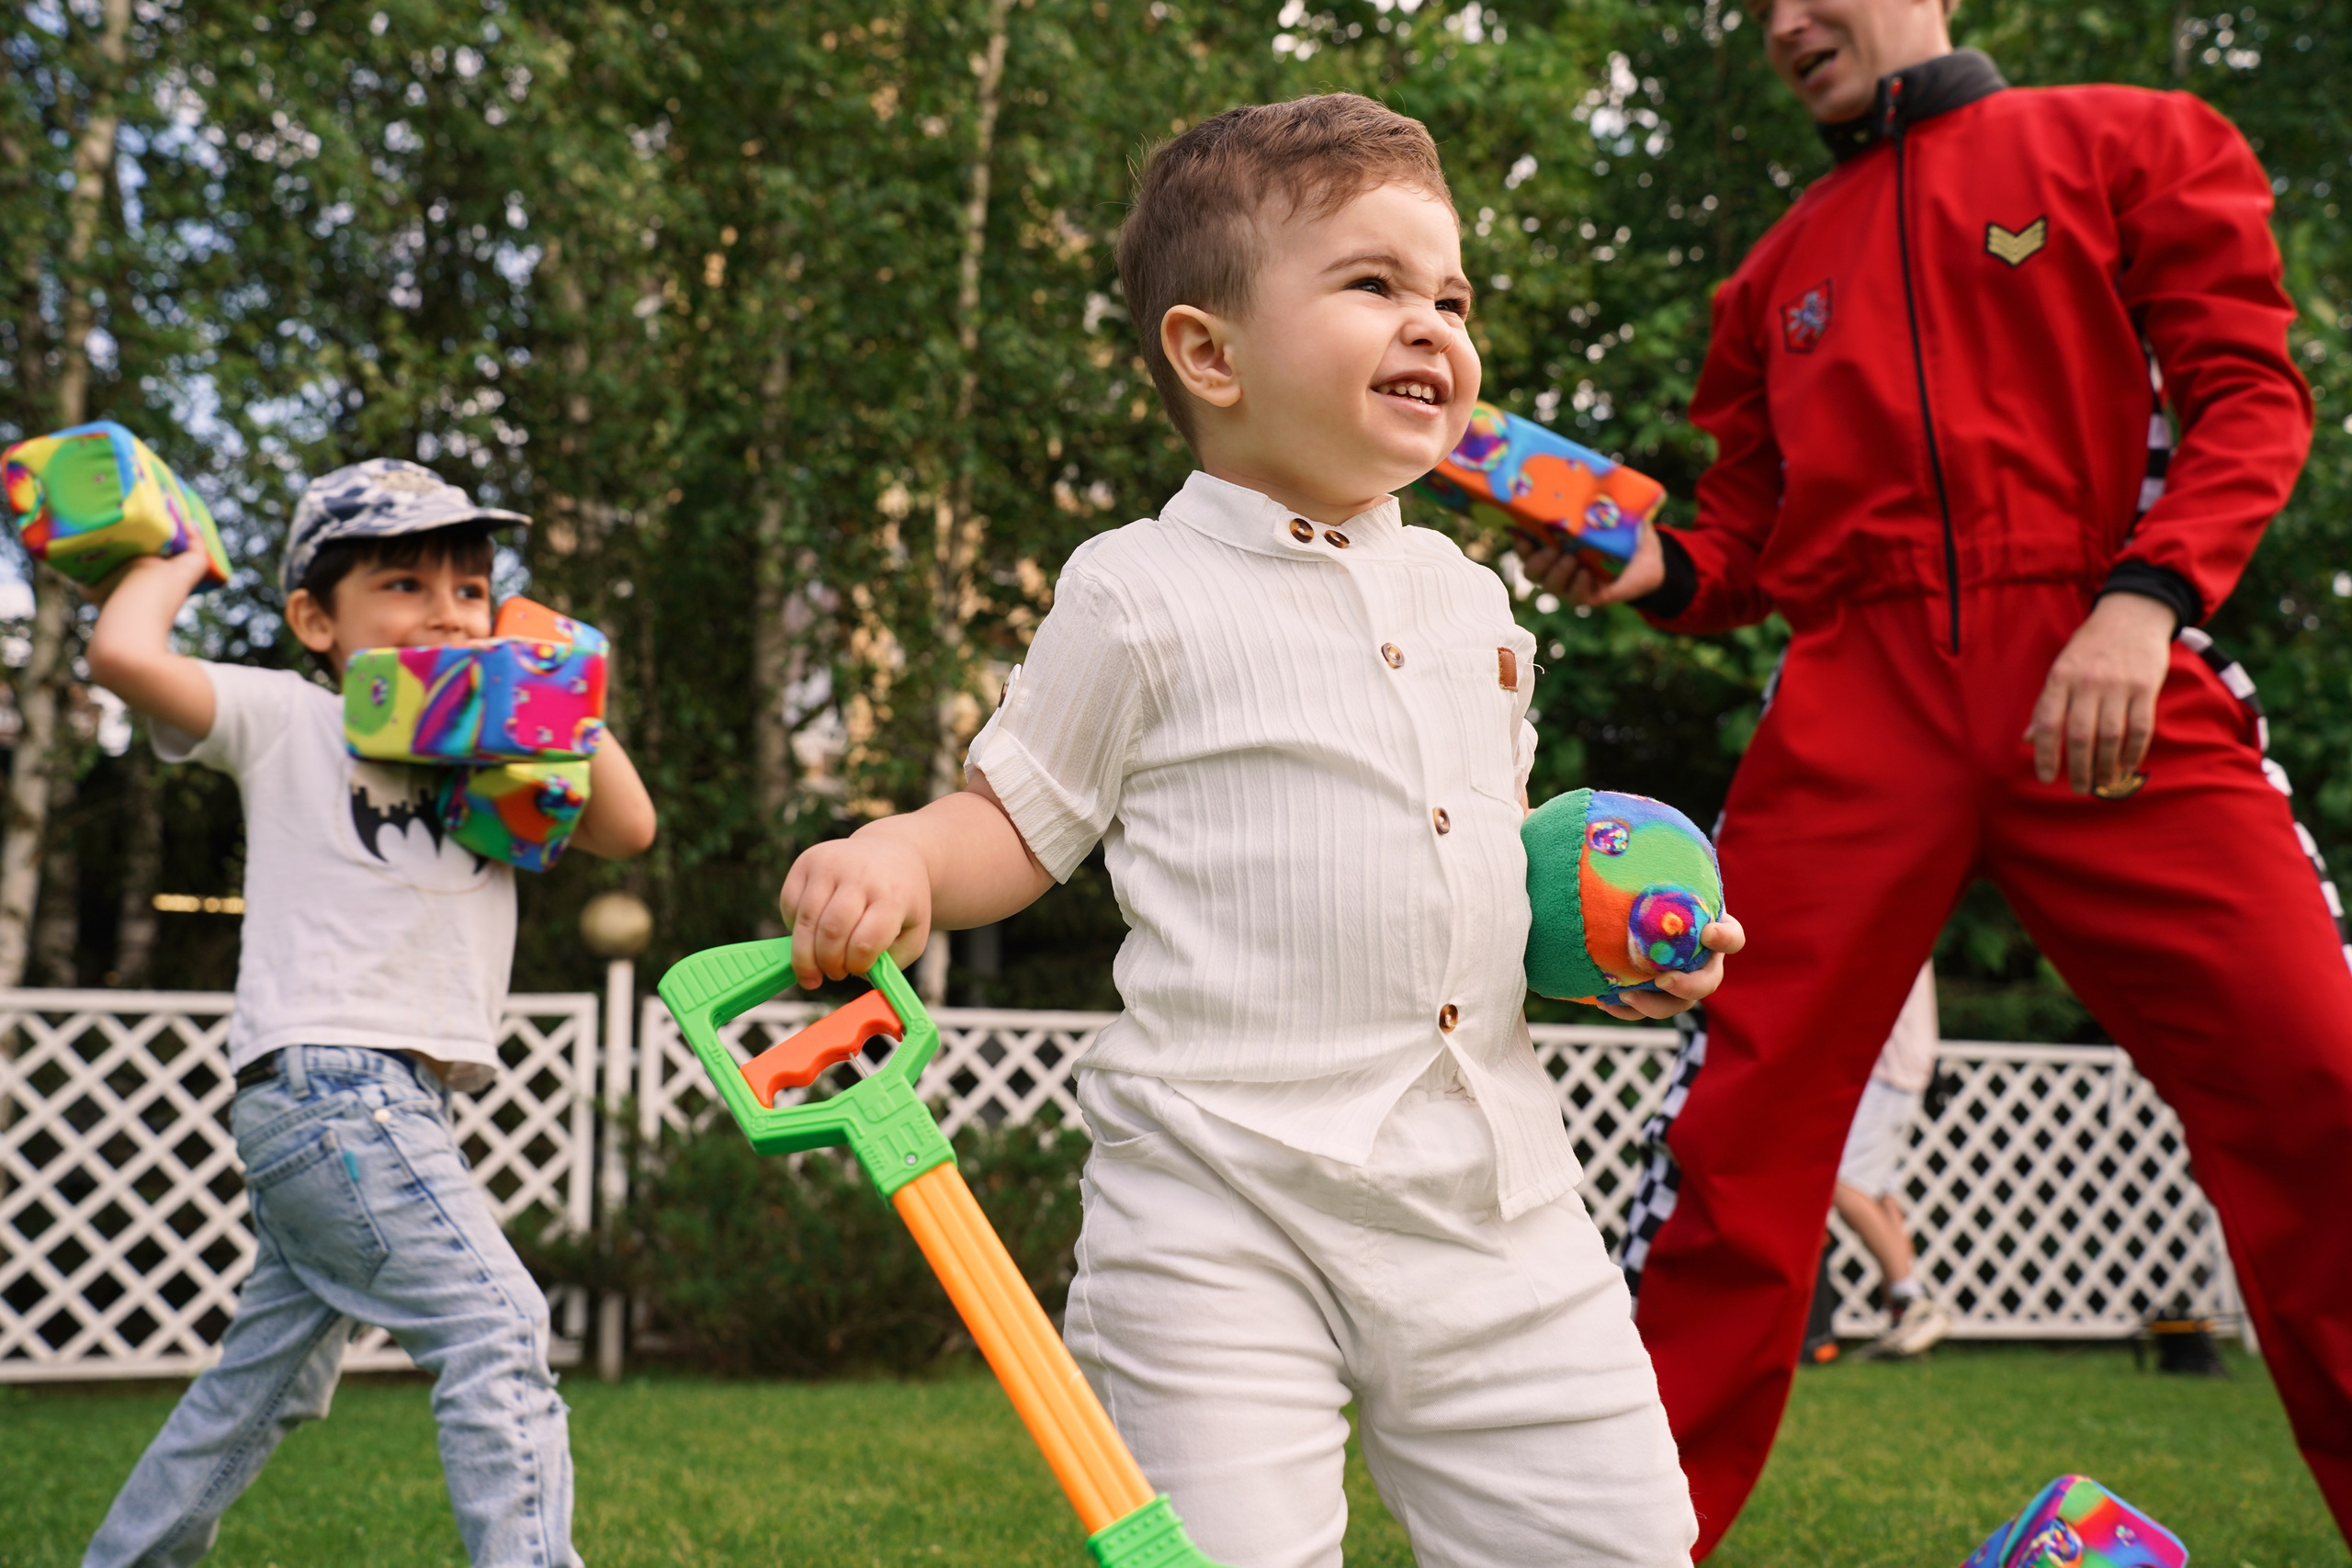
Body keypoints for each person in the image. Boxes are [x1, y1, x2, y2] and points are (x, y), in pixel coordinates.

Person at [776, 95, 1743, 1568]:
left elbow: (1469, 867)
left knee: (1613, 1540)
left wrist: (1596, 947)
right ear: (1209, 353)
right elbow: (1018, 820)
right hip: (1220, 1201)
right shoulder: (1137, 588)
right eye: (1373, 284)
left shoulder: (1474, 602)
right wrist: (904, 856)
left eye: (1451, 296)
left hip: (1494, 1193)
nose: (1432, 325)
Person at [1519, 0, 2352, 1551]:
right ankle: (1621, 1542)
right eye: (1757, 7)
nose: (1783, 23)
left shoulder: (2135, 143)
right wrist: (1638, 564)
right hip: (1857, 695)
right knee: (1733, 1140)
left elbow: (2249, 396)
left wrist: (2147, 597)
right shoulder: (1770, 274)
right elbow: (1739, 547)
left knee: (2325, 1083)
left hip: (2108, 664)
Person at [77, 460, 658, 1568]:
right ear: (315, 620)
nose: (447, 610)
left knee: (259, 1390)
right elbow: (124, 657)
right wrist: (179, 558)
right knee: (497, 1325)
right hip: (337, 1088)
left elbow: (626, 828)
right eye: (402, 584)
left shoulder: (496, 757)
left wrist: (556, 679)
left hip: (381, 1109)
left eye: (472, 589)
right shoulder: (291, 717)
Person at [1833, 961, 1951, 1359]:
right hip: (1903, 1066)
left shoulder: (1883, 908)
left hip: (1887, 1068)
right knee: (1881, 1190)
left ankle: (1911, 1299)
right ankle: (1905, 1313)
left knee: (1844, 1185)